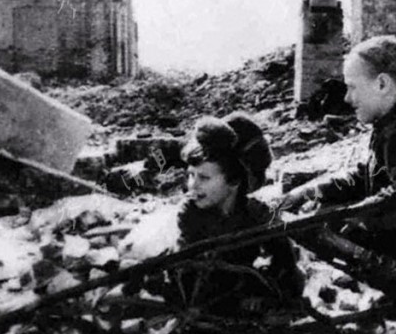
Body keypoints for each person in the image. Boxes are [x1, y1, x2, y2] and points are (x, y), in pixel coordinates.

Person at [275, 36, 396, 300]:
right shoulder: (394, 125)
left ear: (381, 84)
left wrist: (351, 214)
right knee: (316, 215)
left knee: (312, 226)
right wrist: (310, 192)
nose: (347, 98)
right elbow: (362, 177)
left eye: (353, 87)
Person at [120, 112, 304, 317]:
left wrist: (269, 294)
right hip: (202, 296)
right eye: (191, 175)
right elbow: (188, 270)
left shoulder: (258, 215)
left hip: (238, 293)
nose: (193, 185)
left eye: (204, 178)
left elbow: (286, 265)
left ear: (235, 182)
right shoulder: (190, 212)